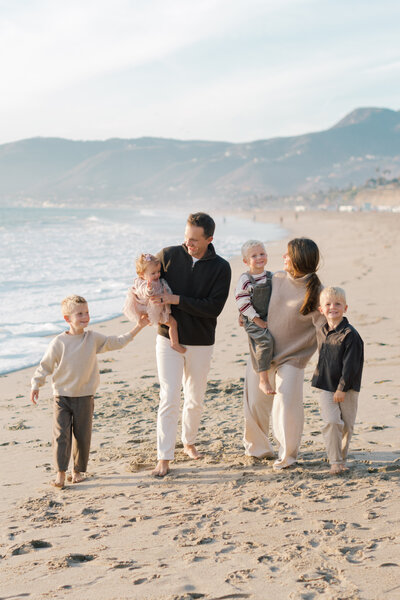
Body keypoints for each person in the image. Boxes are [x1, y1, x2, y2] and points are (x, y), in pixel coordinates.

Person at [30, 294, 148, 488]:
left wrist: (139, 326)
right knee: (61, 436)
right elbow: (45, 366)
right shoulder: (59, 342)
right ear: (68, 319)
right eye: (80, 314)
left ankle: (77, 472)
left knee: (82, 435)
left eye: (87, 312)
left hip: (85, 396)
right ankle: (60, 473)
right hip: (62, 396)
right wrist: (36, 384)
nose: (85, 316)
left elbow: (116, 342)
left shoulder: (92, 338)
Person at [151, 212, 231, 477]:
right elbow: (147, 279)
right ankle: (164, 456)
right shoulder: (168, 255)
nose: (189, 244)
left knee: (194, 399)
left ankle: (189, 441)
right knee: (170, 395)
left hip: (201, 341)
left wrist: (176, 300)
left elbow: (213, 309)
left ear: (209, 239)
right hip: (167, 338)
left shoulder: (221, 267)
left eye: (195, 240)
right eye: (186, 238)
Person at [243, 238, 324, 470]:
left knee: (287, 401)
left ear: (298, 259)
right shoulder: (275, 278)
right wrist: (245, 316)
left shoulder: (317, 291)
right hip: (264, 352)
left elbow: (323, 330)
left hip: (294, 357)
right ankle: (258, 450)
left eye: (288, 255)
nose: (283, 258)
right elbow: (255, 303)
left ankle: (288, 455)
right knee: (255, 402)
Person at [312, 286, 364, 474]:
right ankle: (335, 461)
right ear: (321, 309)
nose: (333, 307)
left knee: (347, 426)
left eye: (338, 304)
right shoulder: (321, 330)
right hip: (325, 384)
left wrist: (342, 388)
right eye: (328, 304)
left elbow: (351, 366)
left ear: (345, 308)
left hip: (347, 388)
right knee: (332, 421)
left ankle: (341, 459)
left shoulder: (351, 335)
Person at [123, 253, 185, 354]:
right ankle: (175, 343)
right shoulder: (142, 283)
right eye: (153, 273)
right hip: (154, 311)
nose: (157, 275)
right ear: (142, 275)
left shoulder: (157, 280)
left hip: (156, 309)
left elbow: (164, 289)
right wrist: (149, 289)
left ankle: (152, 321)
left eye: (158, 272)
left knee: (171, 323)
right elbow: (143, 292)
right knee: (173, 323)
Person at [235, 240, 275, 395]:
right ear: (246, 261)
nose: (259, 258)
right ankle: (263, 381)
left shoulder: (270, 276)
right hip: (252, 317)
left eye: (262, 254)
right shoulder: (245, 280)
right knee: (265, 341)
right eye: (254, 256)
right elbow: (242, 303)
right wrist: (256, 319)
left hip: (268, 315)